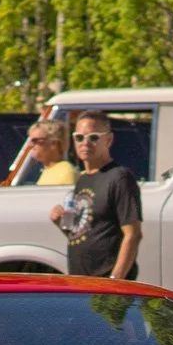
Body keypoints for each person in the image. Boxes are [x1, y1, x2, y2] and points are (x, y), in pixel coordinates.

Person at [55, 113, 142, 280]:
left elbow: (133, 234)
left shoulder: (119, 178)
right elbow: (82, 233)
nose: (85, 143)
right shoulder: (82, 179)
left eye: (93, 137)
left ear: (108, 140)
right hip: (82, 281)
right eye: (79, 137)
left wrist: (116, 280)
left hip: (107, 282)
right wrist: (60, 223)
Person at [5, 119, 77, 186]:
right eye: (30, 140)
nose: (30, 145)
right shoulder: (48, 170)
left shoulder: (66, 173)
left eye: (35, 141)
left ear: (54, 143)